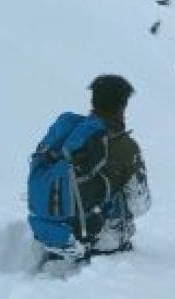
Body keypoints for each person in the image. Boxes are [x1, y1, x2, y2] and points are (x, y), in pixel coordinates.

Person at [34, 74, 150, 266]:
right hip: (102, 244)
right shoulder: (126, 147)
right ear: (123, 106)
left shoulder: (68, 134)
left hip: (55, 233)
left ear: (93, 100)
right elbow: (140, 205)